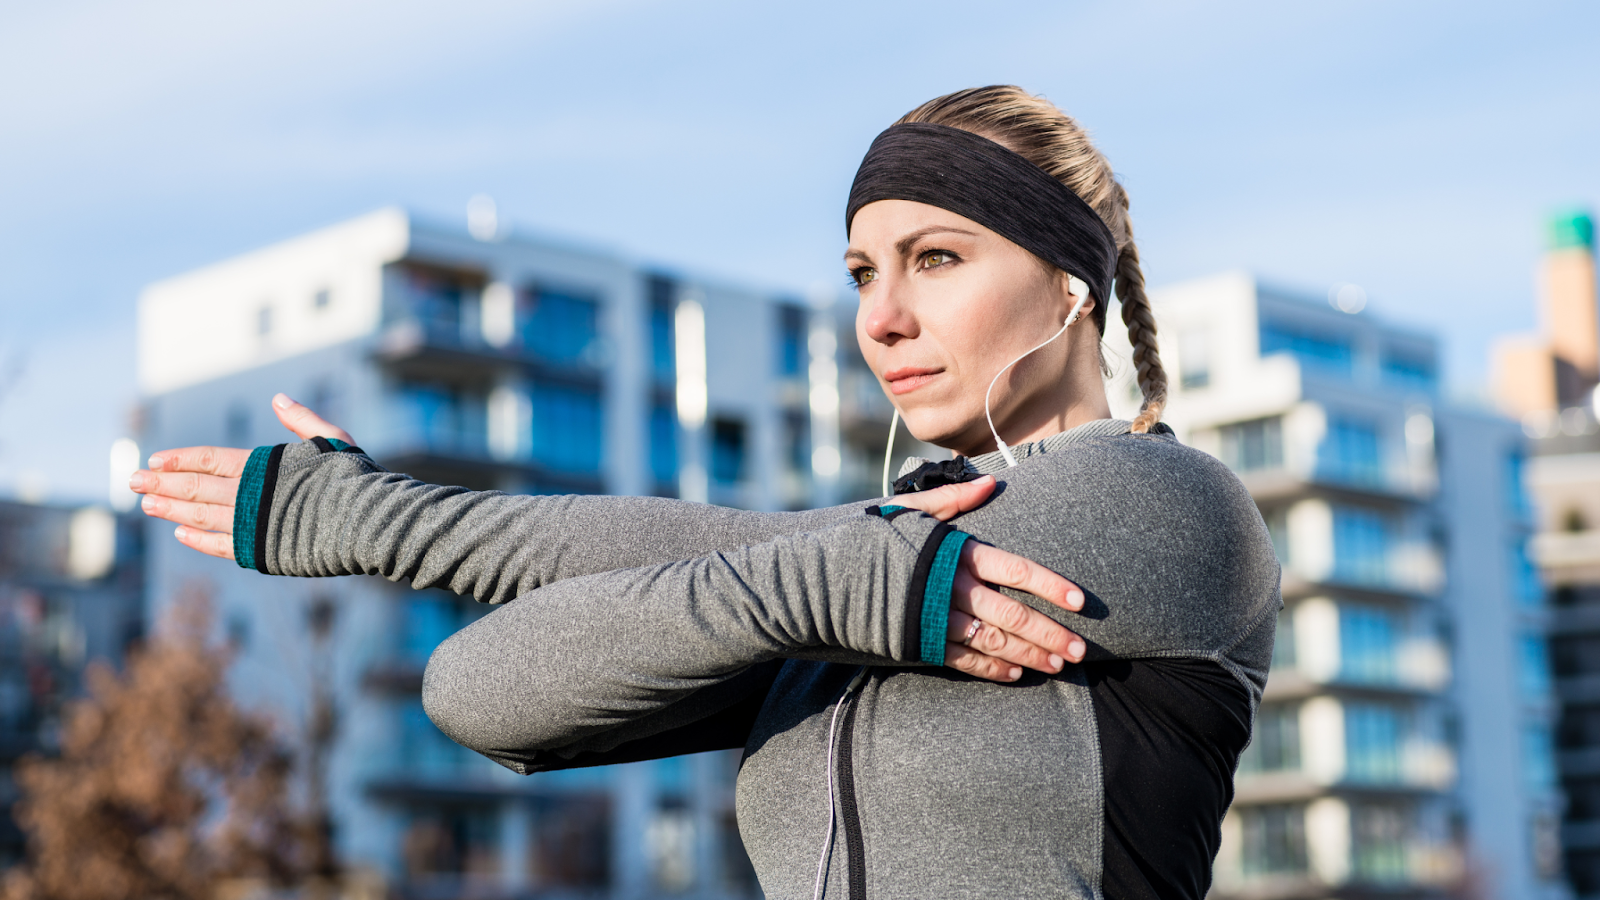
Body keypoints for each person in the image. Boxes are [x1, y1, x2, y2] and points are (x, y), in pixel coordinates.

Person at [130, 85, 1280, 900]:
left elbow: (758, 553)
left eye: (936, 259)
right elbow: (475, 690)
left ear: (1071, 286)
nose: (879, 318)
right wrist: (797, 585)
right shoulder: (856, 587)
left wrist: (380, 524)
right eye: (860, 274)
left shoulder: (1169, 508)